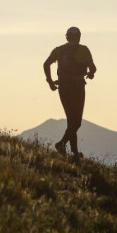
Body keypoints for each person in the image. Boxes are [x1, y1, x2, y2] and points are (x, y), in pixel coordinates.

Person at [43, 26, 96, 158]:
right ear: (78, 37)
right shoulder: (83, 49)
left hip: (63, 88)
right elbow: (93, 68)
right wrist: (91, 74)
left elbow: (46, 64)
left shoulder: (59, 50)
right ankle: (61, 144)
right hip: (77, 87)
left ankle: (75, 152)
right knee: (76, 122)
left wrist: (50, 81)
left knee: (71, 121)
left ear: (67, 37)